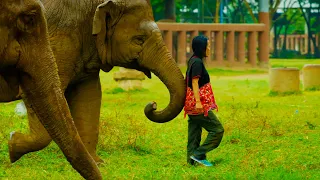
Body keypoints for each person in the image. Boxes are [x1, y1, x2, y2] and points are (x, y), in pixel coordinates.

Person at [184, 35, 224, 167]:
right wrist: (198, 102)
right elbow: (194, 82)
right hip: (198, 104)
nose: (209, 48)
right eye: (208, 45)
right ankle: (198, 154)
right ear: (202, 47)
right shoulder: (197, 63)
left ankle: (191, 161)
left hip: (190, 104)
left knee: (194, 132)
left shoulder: (193, 60)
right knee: (217, 130)